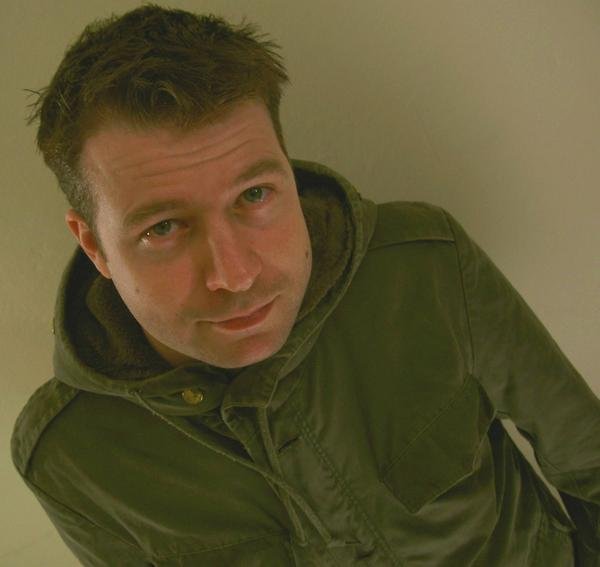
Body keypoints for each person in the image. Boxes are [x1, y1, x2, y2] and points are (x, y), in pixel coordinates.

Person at [10, 5, 600, 566]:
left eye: (254, 195)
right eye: (162, 228)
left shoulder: (427, 267)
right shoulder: (67, 457)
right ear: (94, 245)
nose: (236, 275)